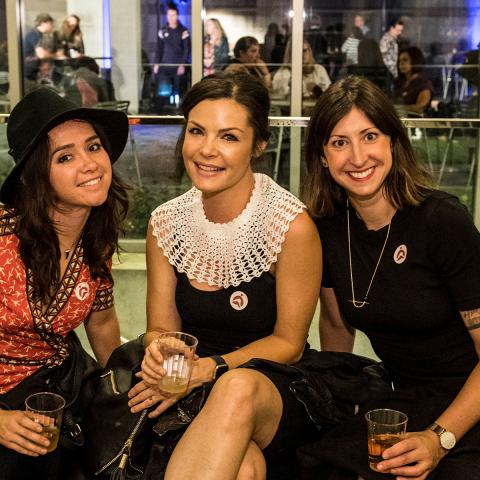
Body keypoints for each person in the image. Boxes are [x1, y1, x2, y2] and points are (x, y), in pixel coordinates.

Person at [127, 72, 321, 479]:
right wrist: (161, 351)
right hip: (190, 379)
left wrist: (211, 368)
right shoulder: (166, 222)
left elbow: (290, 343)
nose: (207, 150)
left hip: (270, 383)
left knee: (237, 388)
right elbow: (161, 327)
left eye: (229, 137)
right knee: (244, 468)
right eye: (197, 131)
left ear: (259, 145)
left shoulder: (290, 225)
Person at [300, 75, 480, 478]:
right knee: (318, 464)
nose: (357, 157)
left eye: (370, 136)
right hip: (405, 400)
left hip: (470, 400)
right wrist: (340, 397)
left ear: (393, 143)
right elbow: (335, 325)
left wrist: (439, 438)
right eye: (339, 142)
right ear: (323, 157)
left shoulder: (442, 221)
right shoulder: (328, 228)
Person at [0, 87, 129, 480]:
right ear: (35, 175)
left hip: (63, 382)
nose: (89, 164)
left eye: (93, 147)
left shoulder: (96, 235)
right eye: (65, 156)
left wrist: (121, 395)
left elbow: (102, 323)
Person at [154, 3, 190, 112]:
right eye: (169, 15)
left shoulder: (183, 31)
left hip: (178, 66)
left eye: (173, 15)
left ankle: (179, 111)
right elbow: (159, 49)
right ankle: (163, 112)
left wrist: (182, 65)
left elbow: (187, 50)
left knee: (179, 89)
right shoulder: (162, 31)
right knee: (163, 90)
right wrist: (157, 64)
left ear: (177, 16)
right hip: (165, 65)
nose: (171, 17)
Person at [394, 46, 433, 115]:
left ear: (415, 61)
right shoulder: (399, 82)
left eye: (405, 60)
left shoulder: (423, 84)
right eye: (400, 61)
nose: (401, 63)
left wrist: (397, 108)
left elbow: (419, 108)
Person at [23, 13, 58, 82]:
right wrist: (56, 54)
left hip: (33, 69)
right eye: (51, 24)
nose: (52, 26)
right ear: (44, 23)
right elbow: (41, 55)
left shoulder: (39, 34)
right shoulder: (33, 34)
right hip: (28, 70)